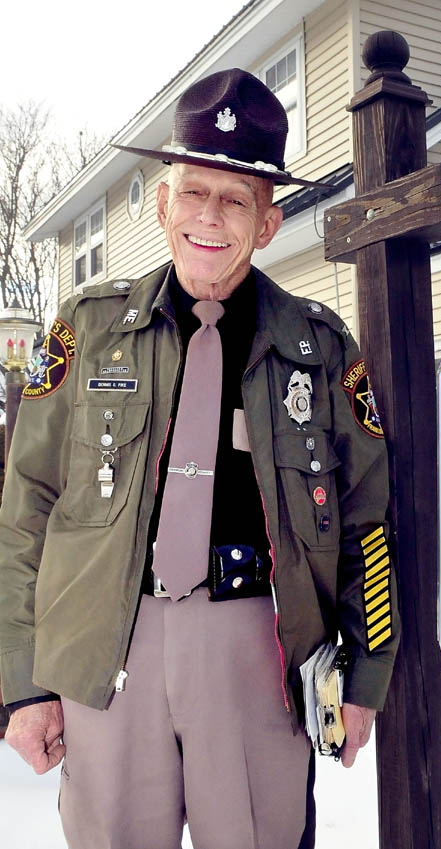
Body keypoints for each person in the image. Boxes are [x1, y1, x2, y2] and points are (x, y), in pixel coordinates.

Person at [0, 69, 399, 849]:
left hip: (259, 652)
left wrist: (367, 675)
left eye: (235, 200)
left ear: (269, 222)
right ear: (161, 203)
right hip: (107, 647)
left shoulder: (319, 351)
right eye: (192, 193)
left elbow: (369, 520)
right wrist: (20, 682)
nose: (209, 219)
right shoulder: (87, 332)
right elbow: (25, 512)